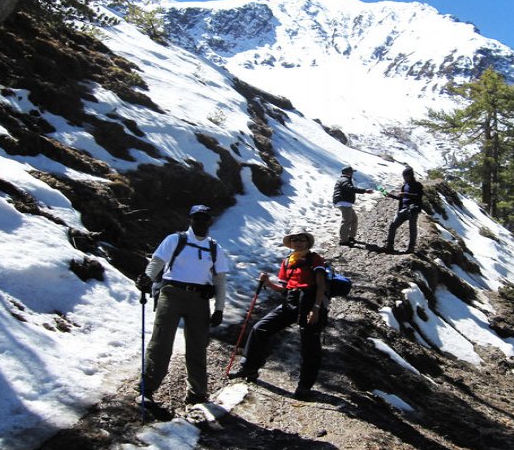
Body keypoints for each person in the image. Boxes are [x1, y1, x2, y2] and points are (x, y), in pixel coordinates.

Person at [135, 205, 230, 405]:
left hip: (200, 300)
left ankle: (197, 392)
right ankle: (147, 387)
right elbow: (158, 261)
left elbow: (220, 280)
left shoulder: (215, 248)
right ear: (190, 219)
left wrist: (219, 308)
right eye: (197, 218)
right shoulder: (175, 240)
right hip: (171, 294)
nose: (201, 222)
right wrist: (148, 278)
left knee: (197, 346)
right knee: (161, 341)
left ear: (210, 221)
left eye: (204, 218)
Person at [228, 227, 327, 399]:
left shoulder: (314, 259)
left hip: (311, 304)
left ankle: (305, 385)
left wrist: (316, 309)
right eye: (294, 239)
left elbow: (321, 285)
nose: (298, 242)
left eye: (301, 239)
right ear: (290, 243)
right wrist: (267, 283)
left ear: (307, 242)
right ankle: (249, 367)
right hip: (291, 302)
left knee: (309, 346)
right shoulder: (288, 261)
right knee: (260, 328)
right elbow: (285, 289)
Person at [384, 166, 424, 254]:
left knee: (412, 228)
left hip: (413, 210)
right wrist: (390, 195)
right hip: (402, 210)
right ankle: (389, 245)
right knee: (393, 225)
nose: (404, 178)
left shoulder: (418, 185)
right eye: (403, 176)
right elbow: (401, 198)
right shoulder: (404, 186)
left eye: (405, 176)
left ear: (410, 175)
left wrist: (406, 194)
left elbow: (418, 196)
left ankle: (411, 248)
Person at [332, 165, 373, 246]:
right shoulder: (344, 180)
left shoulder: (343, 179)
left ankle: (351, 237)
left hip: (344, 203)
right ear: (349, 173)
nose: (352, 174)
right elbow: (349, 188)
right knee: (346, 221)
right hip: (343, 202)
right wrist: (364, 191)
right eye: (352, 172)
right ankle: (343, 240)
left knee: (354, 219)